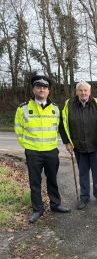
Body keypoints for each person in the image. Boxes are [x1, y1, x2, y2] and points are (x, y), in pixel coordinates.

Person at [14, 75, 71, 223]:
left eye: (44, 88)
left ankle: (55, 204)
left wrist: (68, 143)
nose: (42, 90)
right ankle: (38, 209)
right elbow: (18, 129)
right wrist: (27, 145)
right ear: (33, 90)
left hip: (51, 150)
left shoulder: (56, 109)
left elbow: (62, 128)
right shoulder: (23, 108)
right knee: (35, 181)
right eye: (39, 87)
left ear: (48, 91)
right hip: (33, 151)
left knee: (52, 179)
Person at [59, 81, 97, 210]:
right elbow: (62, 125)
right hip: (79, 145)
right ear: (76, 92)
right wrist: (67, 142)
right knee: (83, 173)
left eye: (86, 90)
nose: (83, 93)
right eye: (80, 90)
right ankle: (84, 197)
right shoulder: (68, 104)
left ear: (90, 92)